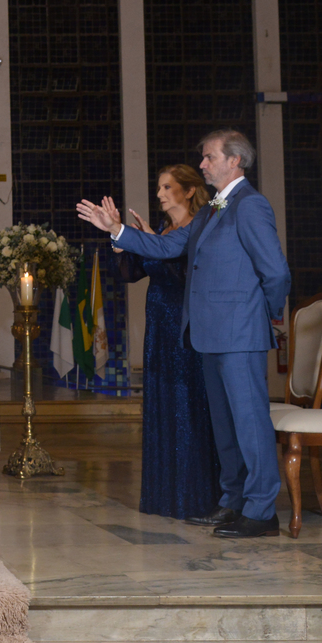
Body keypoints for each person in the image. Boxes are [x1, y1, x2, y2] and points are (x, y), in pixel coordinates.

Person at [78, 129, 290, 538]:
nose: (203, 165)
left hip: (240, 334)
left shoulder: (251, 205)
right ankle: (232, 502)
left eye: (210, 158)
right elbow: (166, 247)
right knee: (225, 426)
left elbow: (276, 271)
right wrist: (117, 231)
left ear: (235, 162)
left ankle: (262, 511)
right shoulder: (212, 209)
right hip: (208, 335)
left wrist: (266, 315)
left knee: (249, 424)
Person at [107, 165, 220, 520]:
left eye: (167, 187)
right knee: (163, 405)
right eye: (158, 187)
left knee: (188, 407)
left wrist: (144, 241)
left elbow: (177, 270)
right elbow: (131, 274)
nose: (159, 193)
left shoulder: (198, 226)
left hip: (185, 325)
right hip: (158, 327)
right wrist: (124, 241)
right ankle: (165, 497)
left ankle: (196, 497)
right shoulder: (161, 231)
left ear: (188, 191)